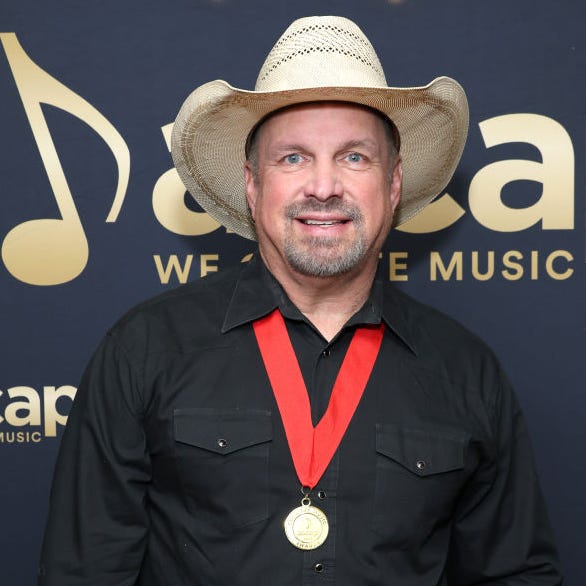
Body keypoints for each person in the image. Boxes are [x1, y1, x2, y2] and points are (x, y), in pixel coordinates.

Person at [38, 15, 562, 585]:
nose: (323, 186)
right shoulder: (144, 350)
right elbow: (82, 571)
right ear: (252, 184)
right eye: (293, 158)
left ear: (392, 185)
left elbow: (515, 574)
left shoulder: (467, 371)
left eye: (354, 157)